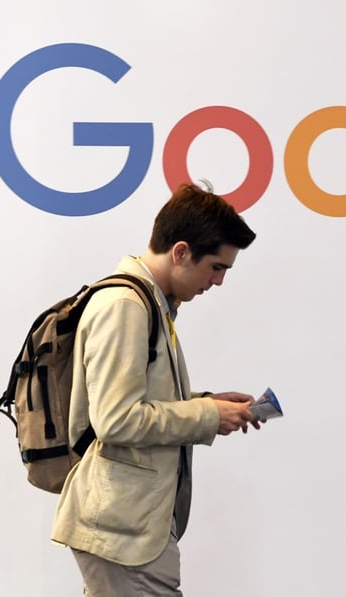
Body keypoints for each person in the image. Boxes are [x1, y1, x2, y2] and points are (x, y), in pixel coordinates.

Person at [52, 182, 259, 596]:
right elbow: (116, 419)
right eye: (217, 267)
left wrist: (207, 405)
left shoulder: (151, 302)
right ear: (181, 252)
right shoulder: (126, 305)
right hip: (123, 533)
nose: (217, 282)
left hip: (131, 526)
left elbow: (138, 402)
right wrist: (208, 416)